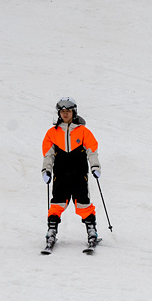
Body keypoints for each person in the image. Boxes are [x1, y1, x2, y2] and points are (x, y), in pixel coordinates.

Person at [41, 97, 101, 248]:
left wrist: (95, 167)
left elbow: (92, 151)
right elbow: (48, 154)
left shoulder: (83, 132)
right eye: (62, 112)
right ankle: (51, 232)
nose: (65, 114)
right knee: (57, 202)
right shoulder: (52, 133)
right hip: (60, 173)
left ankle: (91, 231)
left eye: (68, 111)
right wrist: (46, 170)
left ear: (74, 112)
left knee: (83, 202)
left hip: (79, 173)